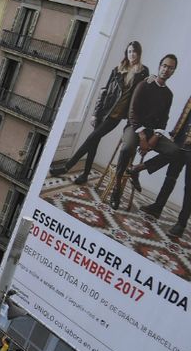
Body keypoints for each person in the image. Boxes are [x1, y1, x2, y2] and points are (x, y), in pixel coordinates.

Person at [52, 40, 148, 186]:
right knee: (93, 143)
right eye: (129, 51)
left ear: (139, 53)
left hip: (115, 116)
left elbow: (143, 91)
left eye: (134, 51)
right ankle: (84, 175)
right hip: (103, 111)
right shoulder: (118, 69)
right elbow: (104, 91)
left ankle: (66, 167)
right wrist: (95, 114)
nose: (131, 54)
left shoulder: (142, 72)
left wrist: (151, 80)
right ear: (126, 53)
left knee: (90, 140)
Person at [109, 54, 177, 210]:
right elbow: (132, 113)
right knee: (127, 148)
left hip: (152, 132)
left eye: (170, 68)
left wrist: (155, 137)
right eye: (164, 66)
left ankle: (136, 169)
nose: (166, 70)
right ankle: (116, 189)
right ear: (160, 66)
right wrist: (143, 137)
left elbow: (163, 120)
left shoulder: (169, 94)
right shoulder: (144, 84)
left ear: (173, 71)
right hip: (134, 127)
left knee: (173, 151)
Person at [129, 100, 191, 237]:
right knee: (170, 177)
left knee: (189, 187)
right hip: (180, 143)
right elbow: (184, 116)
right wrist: (175, 134)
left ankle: (181, 223)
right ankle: (158, 207)